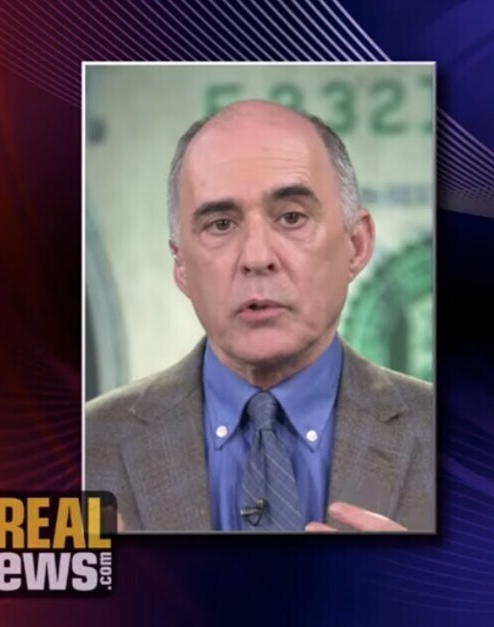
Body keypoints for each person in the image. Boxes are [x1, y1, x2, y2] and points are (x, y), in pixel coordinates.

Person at [86, 100, 434, 533]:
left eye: (292, 217)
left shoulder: (464, 443)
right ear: (181, 266)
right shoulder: (81, 448)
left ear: (356, 245)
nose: (256, 257)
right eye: (220, 224)